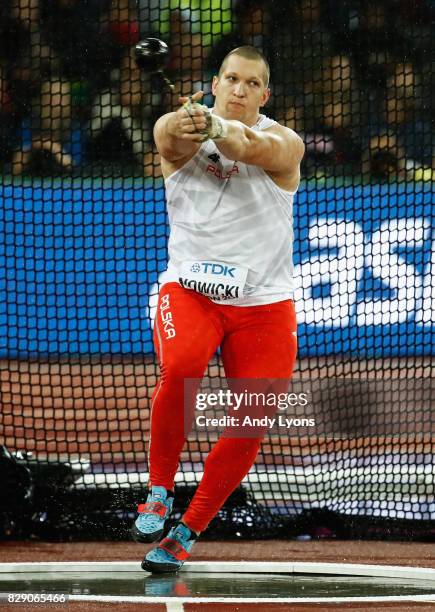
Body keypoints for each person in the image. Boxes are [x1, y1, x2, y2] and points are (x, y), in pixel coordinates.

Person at [132, 46, 304, 573]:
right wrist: (183, 122)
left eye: (252, 83)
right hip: (189, 292)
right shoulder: (183, 133)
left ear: (265, 94)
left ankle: (187, 531)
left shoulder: (286, 142)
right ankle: (159, 491)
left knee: (252, 419)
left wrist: (217, 128)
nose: (239, 90)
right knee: (181, 368)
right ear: (214, 82)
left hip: (264, 306)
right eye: (231, 79)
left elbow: (252, 144)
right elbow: (164, 135)